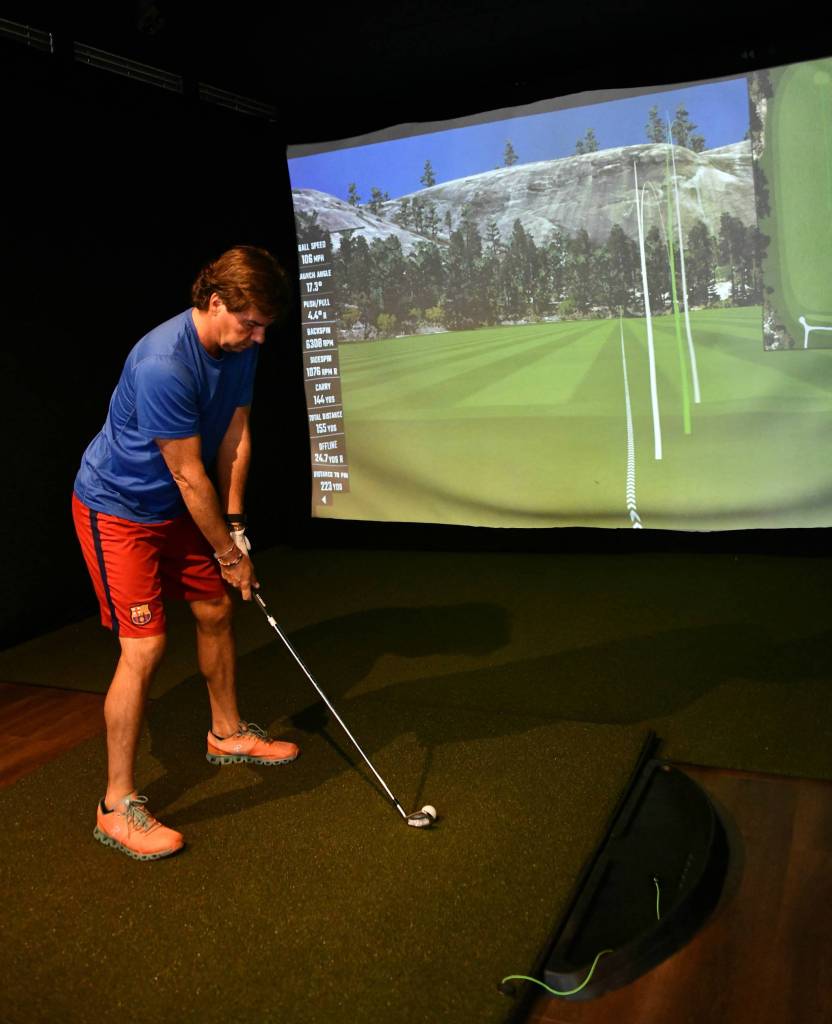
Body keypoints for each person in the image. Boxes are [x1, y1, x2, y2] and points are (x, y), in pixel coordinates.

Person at [72, 245, 298, 861]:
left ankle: (225, 734)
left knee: (216, 611)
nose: (257, 339)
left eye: (264, 329)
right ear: (215, 301)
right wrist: (230, 555)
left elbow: (235, 433)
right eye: (249, 324)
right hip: (119, 508)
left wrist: (234, 524)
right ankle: (116, 805)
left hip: (182, 506)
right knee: (144, 646)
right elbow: (187, 473)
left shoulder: (240, 347)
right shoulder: (163, 363)